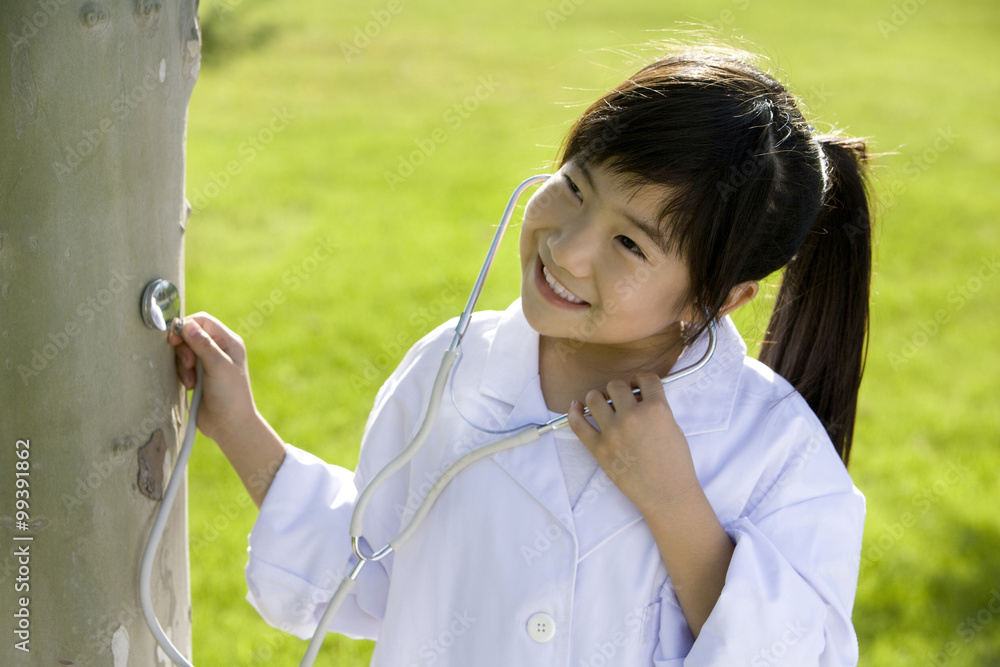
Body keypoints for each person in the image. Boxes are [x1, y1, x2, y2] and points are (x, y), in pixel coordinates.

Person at [169, 46, 872, 666]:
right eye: (573, 187)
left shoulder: (773, 448)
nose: (565, 248)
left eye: (630, 244)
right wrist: (238, 426)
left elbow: (800, 651)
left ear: (718, 300)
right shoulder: (452, 367)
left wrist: (676, 506)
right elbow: (371, 569)